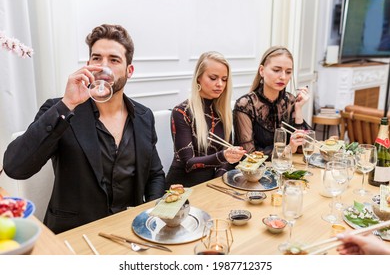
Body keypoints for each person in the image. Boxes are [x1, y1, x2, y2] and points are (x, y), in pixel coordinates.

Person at [3, 24, 165, 234]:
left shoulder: (144, 116)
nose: (103, 67)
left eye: (114, 60)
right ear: (89, 65)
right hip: (76, 234)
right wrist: (67, 104)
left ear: (129, 70)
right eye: (97, 58)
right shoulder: (60, 109)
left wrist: (151, 216)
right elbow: (15, 167)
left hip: (129, 231)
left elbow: (155, 175)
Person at [166, 51, 246, 188]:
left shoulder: (223, 112)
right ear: (198, 78)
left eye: (224, 79)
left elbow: (225, 162)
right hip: (181, 189)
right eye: (213, 78)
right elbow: (188, 163)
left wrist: (215, 183)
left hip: (210, 186)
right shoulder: (181, 112)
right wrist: (223, 156)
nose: (220, 84)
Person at [233, 46, 311, 158]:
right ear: (262, 70)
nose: (283, 77)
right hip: (254, 173)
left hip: (284, 168)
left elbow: (302, 148)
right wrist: (288, 149)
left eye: (288, 72)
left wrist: (298, 109)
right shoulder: (245, 105)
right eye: (276, 70)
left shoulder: (290, 101)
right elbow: (248, 155)